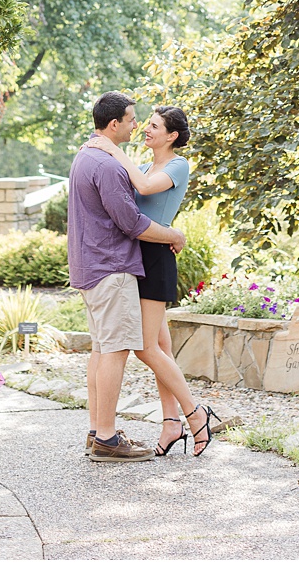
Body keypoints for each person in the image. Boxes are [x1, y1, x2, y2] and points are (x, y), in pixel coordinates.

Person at [68, 92, 197, 462]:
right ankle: (107, 436)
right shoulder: (110, 163)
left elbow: (140, 194)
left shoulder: (91, 156)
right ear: (113, 125)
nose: (138, 126)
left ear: (172, 135)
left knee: (140, 346)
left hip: (135, 262)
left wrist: (112, 151)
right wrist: (173, 234)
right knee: (119, 349)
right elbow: (131, 220)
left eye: (152, 124)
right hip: (116, 264)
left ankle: (162, 420)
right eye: (133, 120)